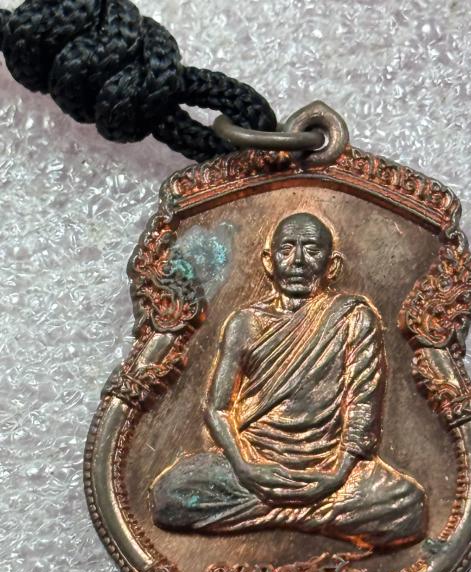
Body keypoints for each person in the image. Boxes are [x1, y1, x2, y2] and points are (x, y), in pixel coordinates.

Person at [150, 212, 427, 548]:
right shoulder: (244, 323)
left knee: (409, 508)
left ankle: (279, 510)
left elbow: (362, 405)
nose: (298, 261)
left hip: (329, 468)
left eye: (311, 249)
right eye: (286, 249)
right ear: (269, 262)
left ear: (332, 265)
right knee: (168, 496)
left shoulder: (354, 317)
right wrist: (245, 466)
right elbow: (217, 408)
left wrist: (336, 475)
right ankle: (307, 514)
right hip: (252, 467)